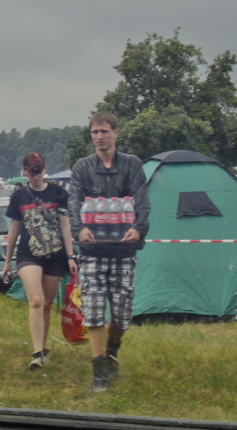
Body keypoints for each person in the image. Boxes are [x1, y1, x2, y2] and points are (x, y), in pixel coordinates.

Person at [67, 112, 151, 393]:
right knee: (93, 312)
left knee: (122, 315)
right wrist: (79, 229)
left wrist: (138, 228)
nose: (99, 137)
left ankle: (113, 347)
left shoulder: (131, 164)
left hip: (123, 251)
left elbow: (143, 200)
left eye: (104, 131)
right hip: (92, 251)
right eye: (95, 132)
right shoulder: (82, 167)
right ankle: (100, 372)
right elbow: (73, 201)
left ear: (116, 133)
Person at [3, 153, 78, 370]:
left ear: (44, 170)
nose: (35, 176)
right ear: (25, 172)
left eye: (38, 172)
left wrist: (70, 256)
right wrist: (7, 261)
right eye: (31, 172)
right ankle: (36, 354)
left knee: (46, 305)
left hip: (55, 255)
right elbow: (14, 229)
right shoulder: (19, 196)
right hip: (28, 255)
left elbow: (65, 226)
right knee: (36, 300)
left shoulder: (58, 193)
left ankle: (42, 349)